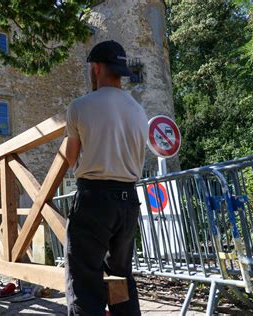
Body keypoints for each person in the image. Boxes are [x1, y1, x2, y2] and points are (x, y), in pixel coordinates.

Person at [64, 40, 149, 316]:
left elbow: (70, 157)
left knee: (84, 279)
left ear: (96, 68)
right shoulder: (139, 111)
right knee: (119, 275)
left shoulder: (80, 106)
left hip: (94, 199)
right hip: (128, 202)